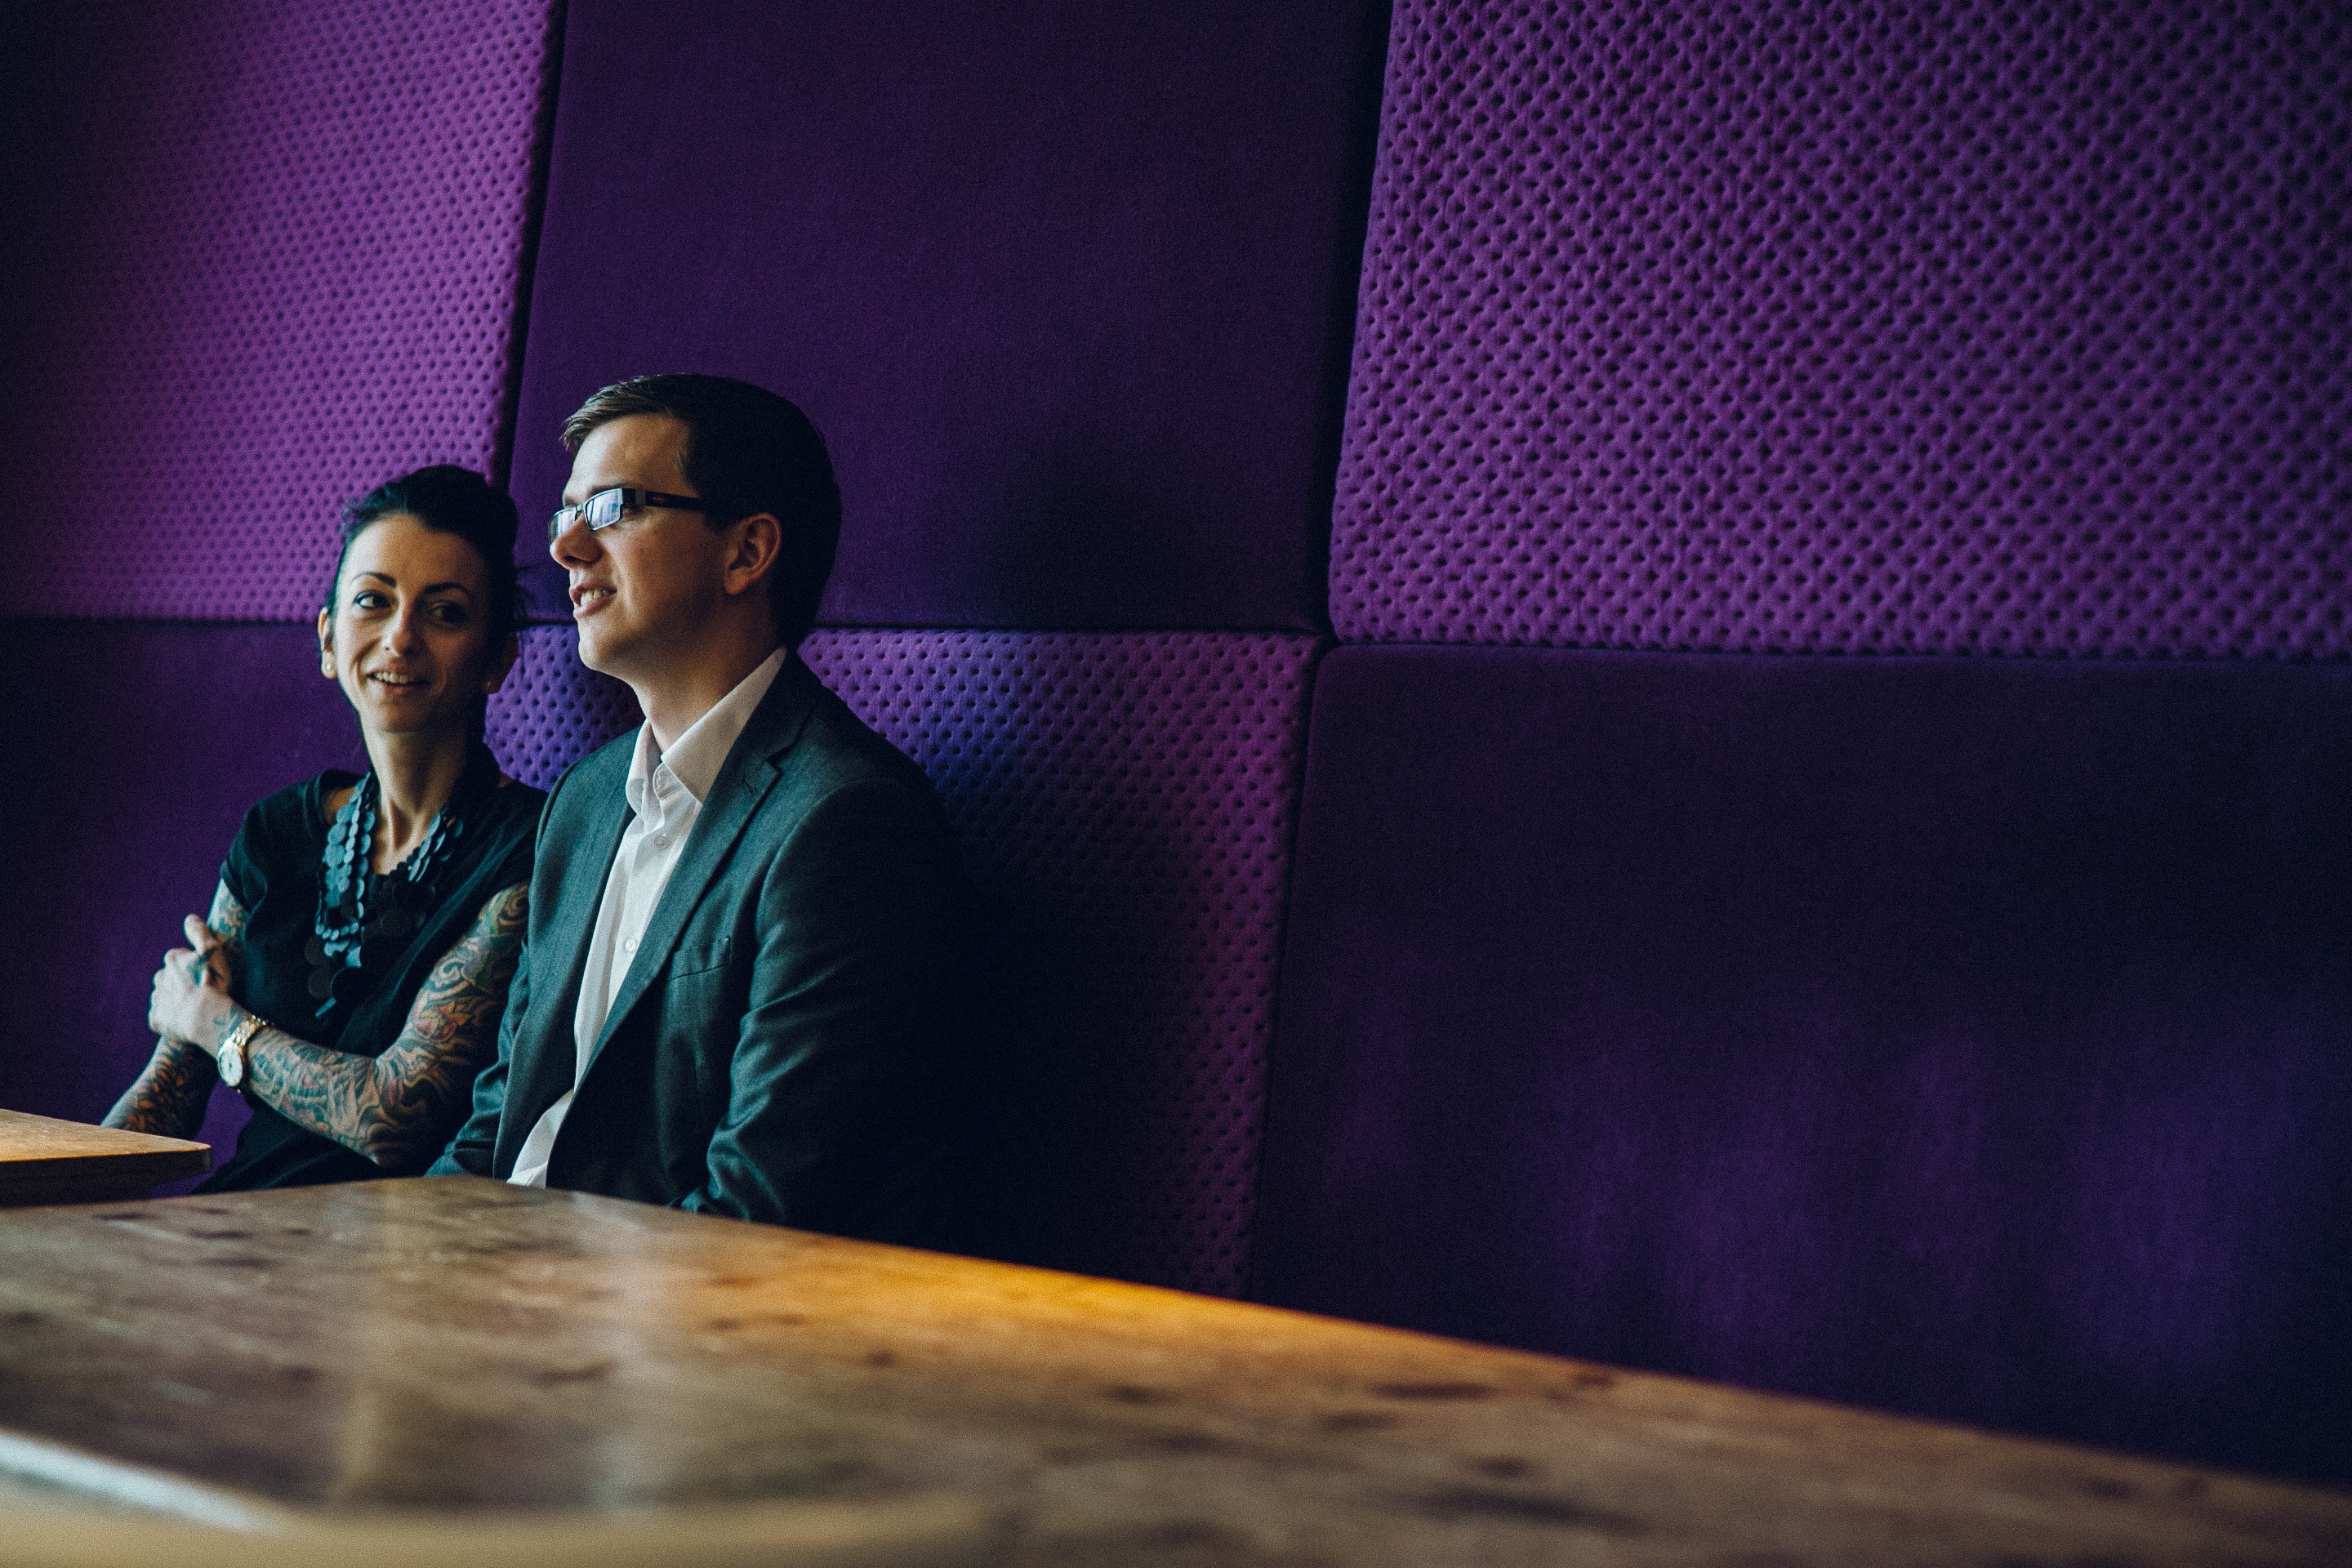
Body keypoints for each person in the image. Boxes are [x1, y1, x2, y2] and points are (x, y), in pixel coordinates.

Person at [428, 374, 974, 1246]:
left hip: (676, 1337)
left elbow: (756, 1213)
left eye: (610, 506)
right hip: (502, 1282)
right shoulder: (584, 798)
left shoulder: (846, 823)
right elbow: (499, 1125)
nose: (566, 545)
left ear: (747, 551)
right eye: (563, 512)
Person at [106, 466, 546, 1187]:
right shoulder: (277, 834)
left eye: (446, 613)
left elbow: (395, 1117)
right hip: (232, 1226)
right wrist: (45, 1196)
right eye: (373, 601)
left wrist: (213, 1023)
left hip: (391, 1257)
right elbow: (170, 1092)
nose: (400, 636)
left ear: (497, 658)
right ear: (328, 639)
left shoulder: (527, 845)